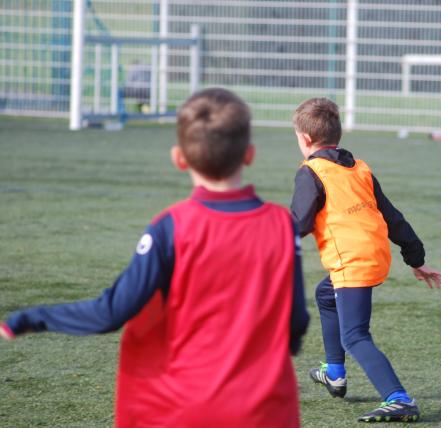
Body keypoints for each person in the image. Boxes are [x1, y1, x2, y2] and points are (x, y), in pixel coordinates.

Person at [0, 88, 310, 428]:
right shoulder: (282, 224)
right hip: (264, 410)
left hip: (186, 408)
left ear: (179, 158)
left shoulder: (171, 227)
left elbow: (111, 312)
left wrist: (32, 317)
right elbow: (295, 321)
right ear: (249, 154)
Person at [290, 97, 441, 423]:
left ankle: (398, 398)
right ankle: (334, 372)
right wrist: (416, 258)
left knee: (355, 336)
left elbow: (299, 223)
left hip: (352, 262)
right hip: (375, 255)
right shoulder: (359, 168)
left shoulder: (310, 172)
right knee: (324, 294)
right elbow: (392, 216)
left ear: (304, 139)